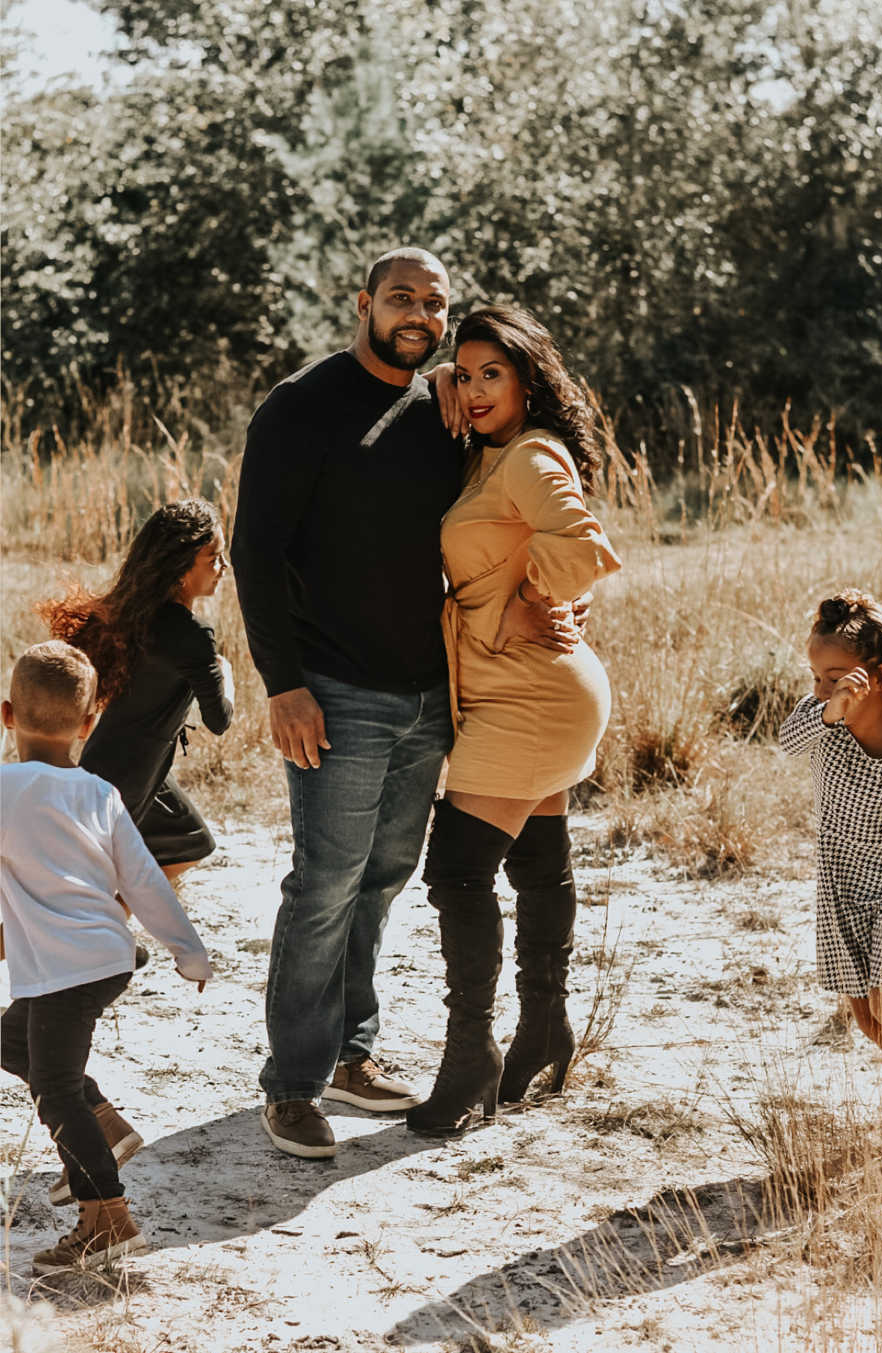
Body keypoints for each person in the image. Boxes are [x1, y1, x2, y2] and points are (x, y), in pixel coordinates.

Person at [230, 249, 567, 1159]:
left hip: (431, 692)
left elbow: (507, 515)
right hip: (334, 691)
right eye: (401, 298)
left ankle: (350, 1053)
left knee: (379, 881)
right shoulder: (302, 405)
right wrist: (283, 684)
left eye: (435, 302)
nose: (419, 313)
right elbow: (254, 553)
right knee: (325, 882)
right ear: (364, 303)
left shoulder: (444, 410)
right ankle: (293, 1085)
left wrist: (549, 594)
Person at [406, 305, 622, 1137]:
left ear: (528, 380)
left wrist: (534, 599)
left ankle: (471, 1057)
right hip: (522, 688)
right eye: (466, 373)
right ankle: (546, 1028)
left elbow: (584, 544)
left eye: (492, 372)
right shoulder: (487, 455)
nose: (475, 387)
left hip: (531, 692)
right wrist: (439, 387)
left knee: (458, 868)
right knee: (536, 854)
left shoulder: (529, 453)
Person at [0, 641, 213, 1274]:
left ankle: (108, 1220)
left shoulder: (4, 789)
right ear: (89, 726)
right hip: (104, 959)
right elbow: (145, 880)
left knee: (55, 1089)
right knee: (13, 1044)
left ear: (6, 714)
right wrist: (188, 952)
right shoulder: (99, 794)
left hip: (67, 969)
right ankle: (107, 1129)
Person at [39, 499, 234, 883]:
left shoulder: (139, 613)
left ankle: (110, 926)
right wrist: (225, 672)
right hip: (129, 775)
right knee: (70, 879)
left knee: (190, 842)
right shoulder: (190, 636)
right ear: (181, 568)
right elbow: (220, 720)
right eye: (214, 558)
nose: (223, 568)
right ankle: (97, 931)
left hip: (129, 765)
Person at [779, 590, 882, 1065]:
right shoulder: (819, 719)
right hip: (841, 886)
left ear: (881, 676)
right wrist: (829, 710)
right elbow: (788, 744)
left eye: (836, 678)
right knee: (871, 1023)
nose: (823, 689)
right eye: (815, 678)